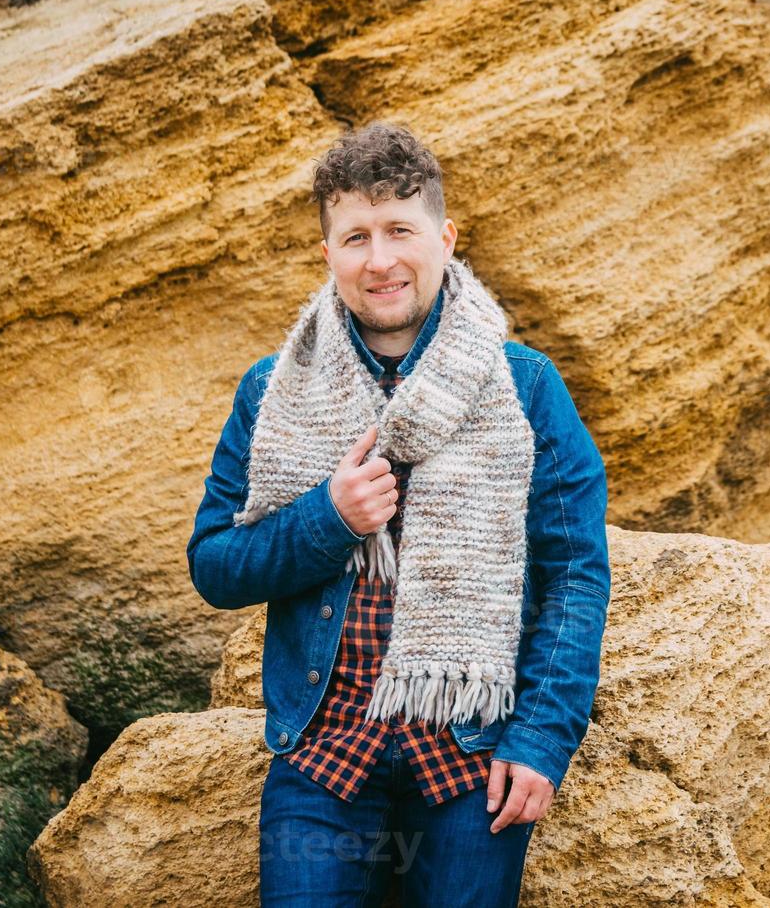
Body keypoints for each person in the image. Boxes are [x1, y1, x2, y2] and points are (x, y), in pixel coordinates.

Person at [187, 121, 610, 907]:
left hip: (471, 758)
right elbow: (214, 564)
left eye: (399, 231)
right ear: (328, 254)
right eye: (355, 237)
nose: (379, 260)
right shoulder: (270, 392)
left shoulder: (524, 386)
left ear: (445, 237)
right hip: (322, 757)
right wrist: (329, 519)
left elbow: (576, 575)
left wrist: (543, 739)